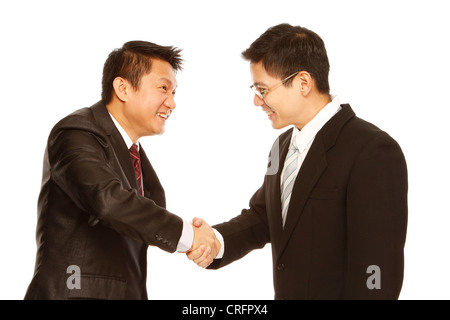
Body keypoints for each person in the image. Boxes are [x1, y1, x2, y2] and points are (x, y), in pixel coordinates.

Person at [188, 23, 408, 300]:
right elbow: (264, 216)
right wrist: (215, 241)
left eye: (263, 89)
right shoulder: (281, 147)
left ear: (303, 82)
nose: (257, 101)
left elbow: (378, 268)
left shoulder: (372, 150)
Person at [24, 41, 220, 300]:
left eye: (174, 92)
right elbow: (107, 200)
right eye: (163, 88)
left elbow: (140, 222)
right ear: (123, 88)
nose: (172, 103)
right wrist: (188, 235)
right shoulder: (76, 132)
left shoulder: (132, 153)